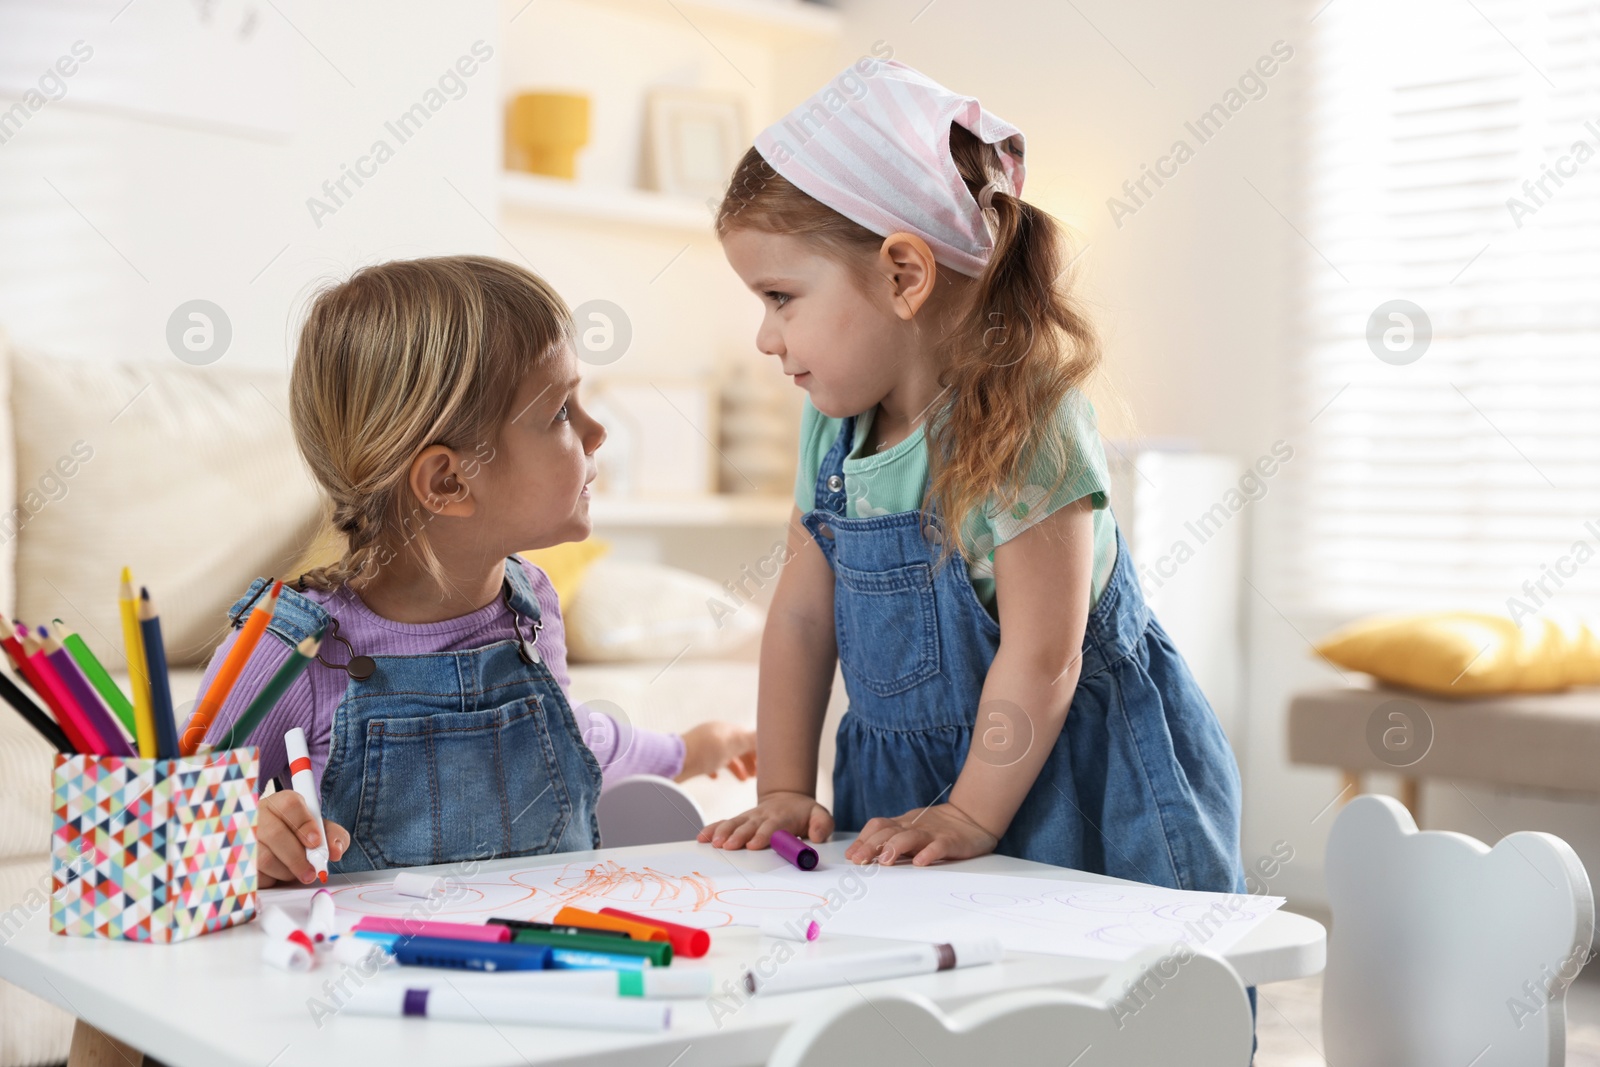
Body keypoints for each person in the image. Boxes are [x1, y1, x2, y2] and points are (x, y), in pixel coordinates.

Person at [699, 60, 1245, 900]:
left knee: (1092, 1005)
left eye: (781, 297)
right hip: (906, 790)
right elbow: (804, 618)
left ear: (903, 275)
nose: (766, 339)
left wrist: (968, 815)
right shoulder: (830, 434)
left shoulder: (1027, 423)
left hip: (1073, 787)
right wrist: (783, 788)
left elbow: (1044, 654)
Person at [197, 255, 756, 886]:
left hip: (550, 951)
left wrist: (691, 750)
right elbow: (172, 822)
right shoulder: (291, 648)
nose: (598, 432)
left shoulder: (532, 604)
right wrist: (251, 843)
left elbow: (563, 739)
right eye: (562, 413)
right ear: (448, 480)